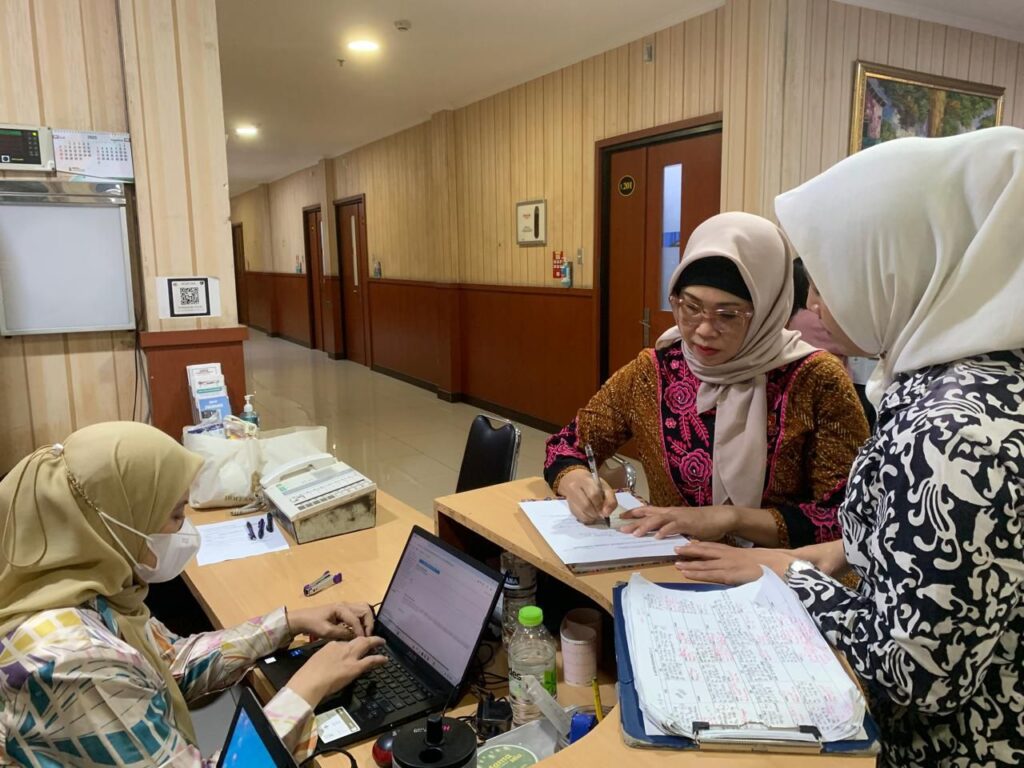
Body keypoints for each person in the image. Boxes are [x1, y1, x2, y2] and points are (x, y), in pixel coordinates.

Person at [676, 127, 1024, 767]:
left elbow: (919, 672)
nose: (812, 301)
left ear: (899, 267)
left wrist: (791, 576)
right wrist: (837, 552)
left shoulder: (954, 432)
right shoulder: (966, 376)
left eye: (828, 276)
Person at [0, 422, 388, 767]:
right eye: (175, 514)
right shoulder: (75, 662)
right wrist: (307, 688)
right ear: (117, 522)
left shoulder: (87, 592)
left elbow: (169, 663)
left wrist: (288, 622)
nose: (185, 529)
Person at [544, 211, 869, 548]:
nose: (703, 330)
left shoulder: (816, 380)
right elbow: (567, 445)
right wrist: (574, 479)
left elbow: (848, 517)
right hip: (670, 563)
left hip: (779, 572)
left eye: (728, 315)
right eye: (690, 307)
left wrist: (732, 519)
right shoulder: (655, 371)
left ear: (768, 311)